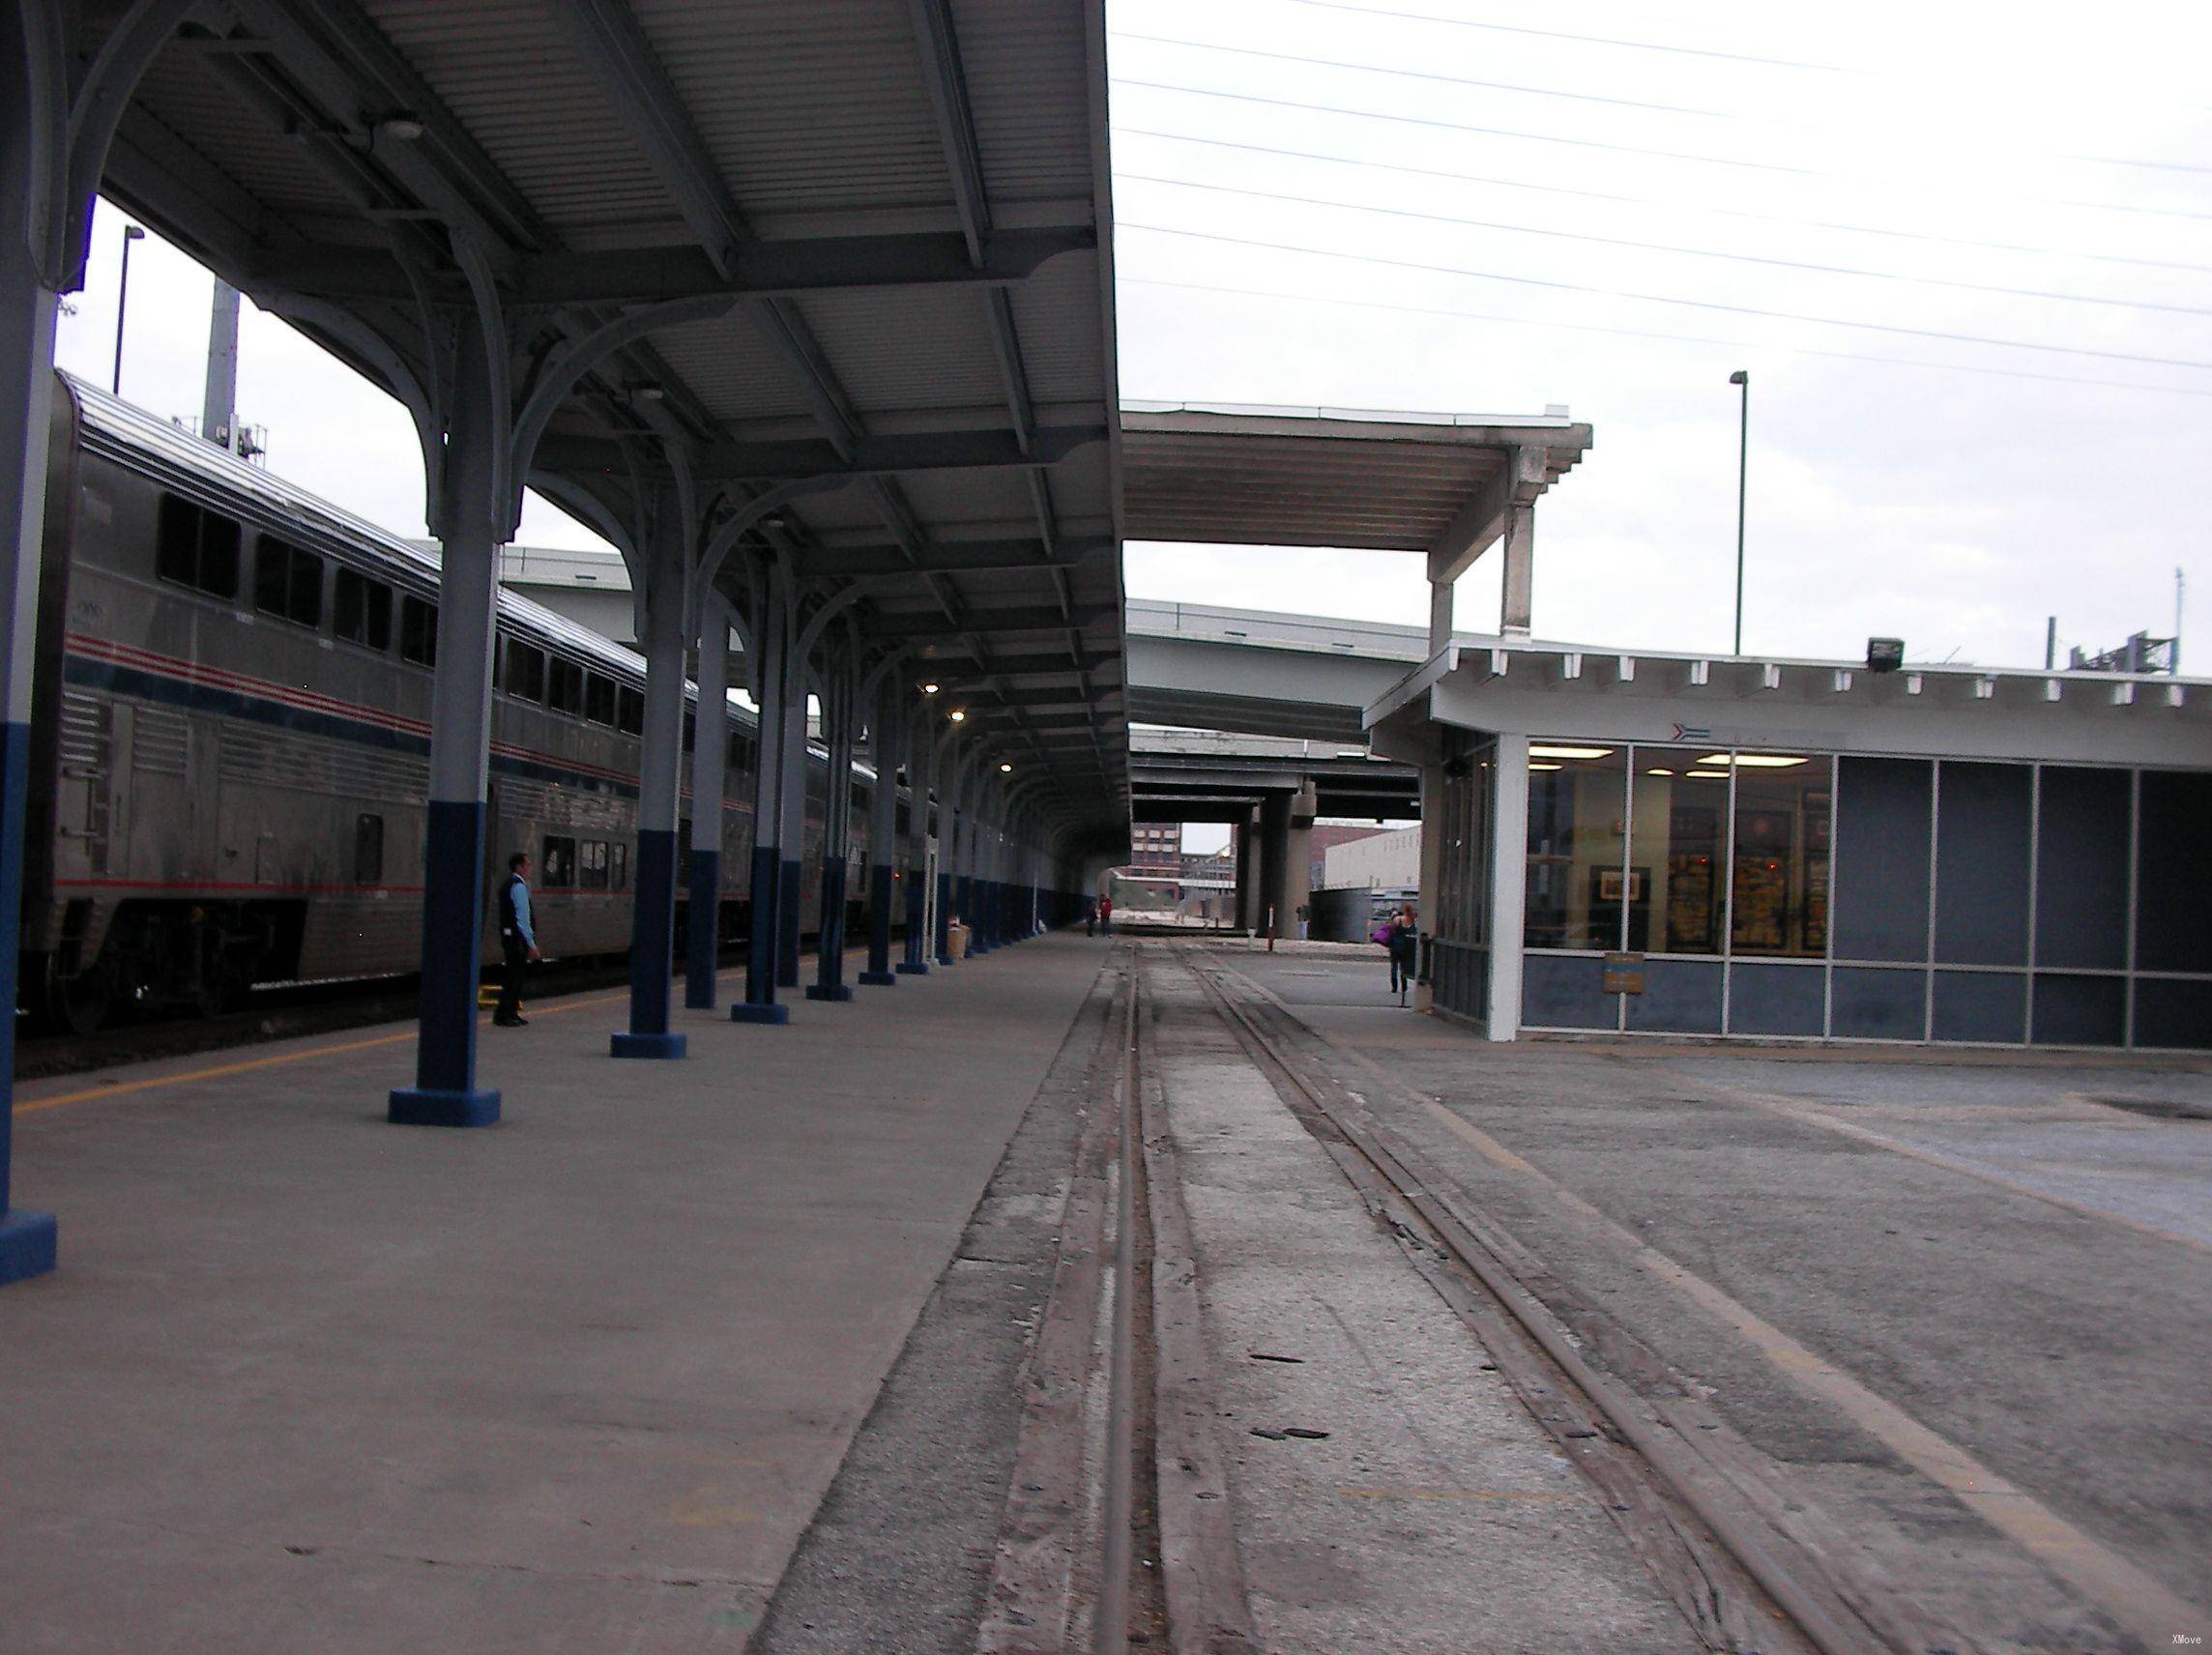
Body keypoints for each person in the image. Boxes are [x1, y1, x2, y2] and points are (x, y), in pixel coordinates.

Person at [494, 850, 540, 1027]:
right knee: (515, 977)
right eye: (527, 865)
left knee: (515, 976)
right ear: (519, 867)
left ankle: (511, 1012)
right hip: (517, 939)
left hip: (510, 937)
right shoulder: (519, 887)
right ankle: (504, 1014)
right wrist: (531, 944)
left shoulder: (509, 884)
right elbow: (523, 918)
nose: (530, 868)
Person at [1384, 905, 1418, 1000]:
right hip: (1406, 947)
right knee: (1404, 966)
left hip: (1395, 946)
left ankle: (1394, 987)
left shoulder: (1398, 919)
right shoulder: (1412, 920)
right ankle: (1404, 986)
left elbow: (1392, 931)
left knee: (1394, 966)